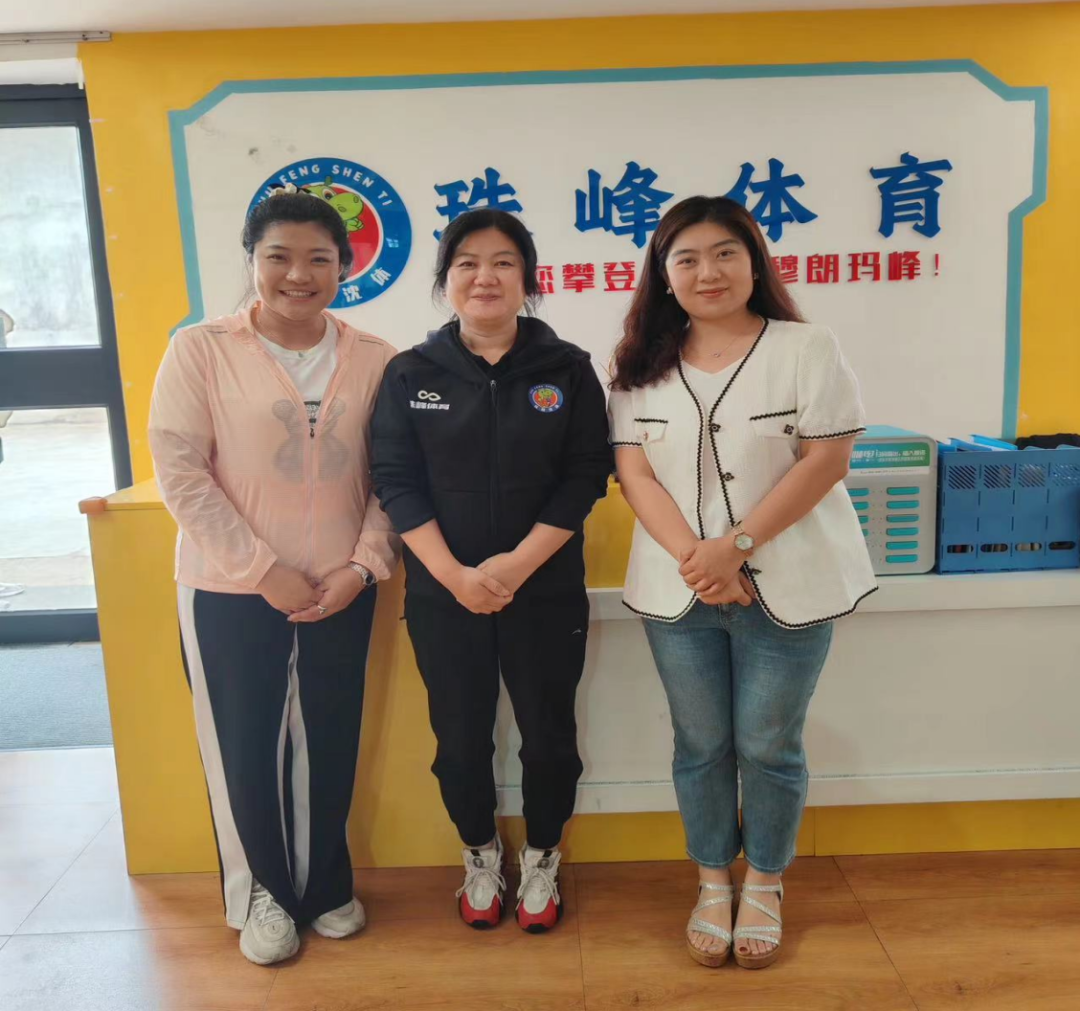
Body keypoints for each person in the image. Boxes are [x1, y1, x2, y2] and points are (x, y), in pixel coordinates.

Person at [608, 195, 876, 969]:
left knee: (768, 742)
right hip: (678, 589)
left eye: (725, 252)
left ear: (753, 262)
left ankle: (764, 879)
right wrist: (701, 559)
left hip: (789, 585)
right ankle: (710, 880)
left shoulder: (806, 347)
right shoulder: (638, 363)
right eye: (687, 258)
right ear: (664, 275)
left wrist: (737, 547)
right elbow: (634, 472)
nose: (708, 271)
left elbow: (826, 459)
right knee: (700, 743)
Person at [148, 184, 399, 965]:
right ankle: (259, 889)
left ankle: (324, 885)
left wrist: (363, 565)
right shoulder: (202, 348)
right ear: (252, 260)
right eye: (279, 256)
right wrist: (261, 569)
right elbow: (181, 471)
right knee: (243, 740)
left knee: (329, 733)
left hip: (342, 587)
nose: (299, 274)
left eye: (319, 259)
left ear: (344, 266)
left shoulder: (376, 357)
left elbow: (394, 478)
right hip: (229, 588)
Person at [371, 209, 611, 932]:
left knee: (549, 737)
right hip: (444, 594)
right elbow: (395, 480)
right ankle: (479, 854)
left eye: (504, 262)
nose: (486, 277)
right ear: (446, 280)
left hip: (545, 591)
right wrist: (454, 575)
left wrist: (515, 564)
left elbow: (585, 475)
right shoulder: (409, 373)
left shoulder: (567, 368)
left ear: (527, 279)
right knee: (460, 739)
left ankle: (541, 856)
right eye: (467, 263)